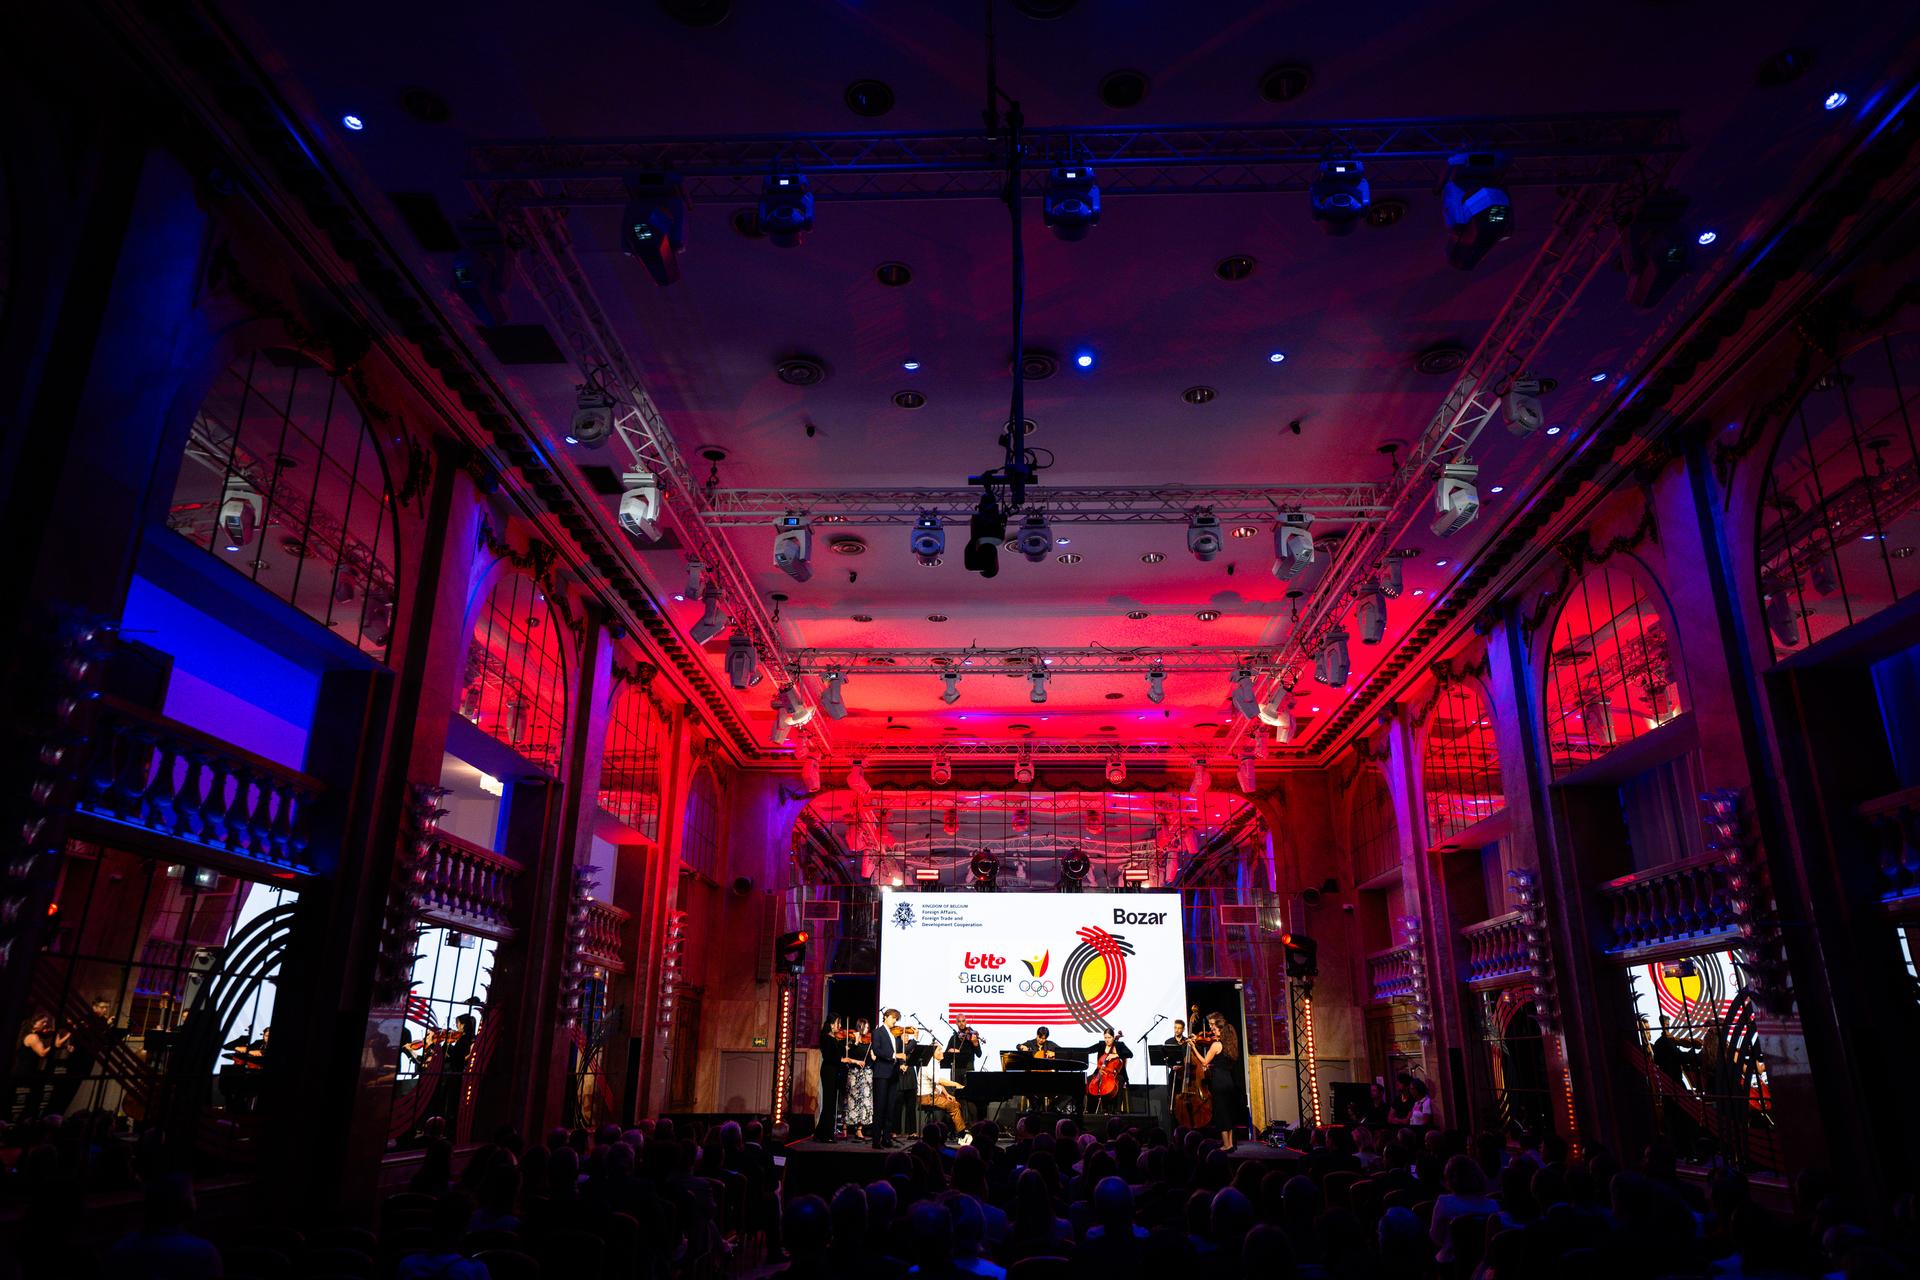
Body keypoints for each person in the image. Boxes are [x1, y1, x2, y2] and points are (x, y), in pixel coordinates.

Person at [103, 1172, 225, 1279]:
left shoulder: (120, 1251)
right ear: (185, 1203)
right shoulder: (204, 1253)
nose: (195, 1199)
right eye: (192, 1194)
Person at [1196, 1011, 1244, 1149]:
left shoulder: (1216, 1045)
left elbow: (1204, 1062)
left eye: (1214, 1028)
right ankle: (1230, 1143)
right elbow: (1222, 1063)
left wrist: (1194, 1047)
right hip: (1228, 1081)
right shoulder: (1230, 1044)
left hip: (1219, 1082)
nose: (1212, 1031)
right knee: (1228, 1113)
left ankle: (1226, 1145)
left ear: (1220, 1029)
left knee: (1221, 1113)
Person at [870, 1008, 904, 1149]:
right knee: (880, 1107)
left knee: (890, 1108)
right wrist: (894, 1056)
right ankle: (876, 1141)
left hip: (893, 1074)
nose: (895, 1021)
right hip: (882, 1073)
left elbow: (897, 1052)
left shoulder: (893, 1035)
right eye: (893, 1018)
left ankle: (887, 1139)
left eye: (896, 1019)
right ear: (886, 1017)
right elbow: (877, 1050)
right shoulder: (878, 1032)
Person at [1086, 1028, 1132, 1115]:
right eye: (1105, 1037)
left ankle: (1117, 1109)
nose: (1107, 1040)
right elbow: (1089, 1050)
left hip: (1115, 1073)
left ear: (1113, 1037)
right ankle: (1090, 1109)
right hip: (1101, 1071)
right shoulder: (1101, 1044)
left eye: (1109, 1037)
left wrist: (1116, 1055)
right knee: (1088, 1080)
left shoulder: (1119, 1045)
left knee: (1120, 1080)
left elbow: (1130, 1054)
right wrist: (1076, 1052)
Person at [815, 1015, 845, 1144]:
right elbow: (829, 1056)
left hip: (834, 1070)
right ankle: (826, 1134)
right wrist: (841, 1059)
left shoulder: (834, 1038)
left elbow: (839, 1052)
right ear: (832, 1024)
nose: (840, 1026)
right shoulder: (826, 1038)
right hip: (828, 1071)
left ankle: (820, 1133)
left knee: (831, 1103)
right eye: (838, 1023)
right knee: (829, 1104)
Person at [844, 1018, 875, 1141]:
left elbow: (872, 1058)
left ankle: (859, 1130)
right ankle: (845, 1129)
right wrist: (856, 1042)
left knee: (864, 1102)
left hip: (866, 1073)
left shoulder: (869, 1042)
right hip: (854, 1073)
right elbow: (848, 1055)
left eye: (868, 1027)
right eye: (866, 1027)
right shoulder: (851, 1040)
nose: (868, 1030)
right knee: (851, 1100)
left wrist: (873, 1056)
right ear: (860, 1026)